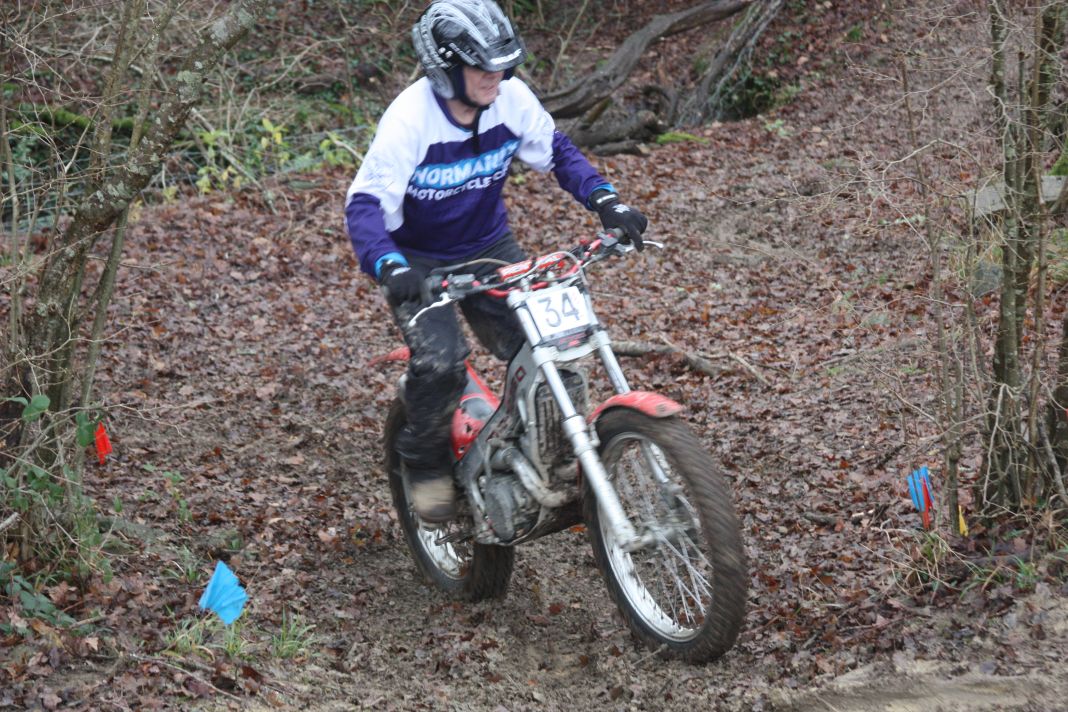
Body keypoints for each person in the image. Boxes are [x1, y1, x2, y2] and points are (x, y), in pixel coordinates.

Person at [344, 0, 648, 523]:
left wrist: (606, 201)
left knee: (547, 347)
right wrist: (389, 266)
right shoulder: (409, 120)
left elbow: (557, 152)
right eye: (482, 67)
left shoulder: (511, 98)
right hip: (418, 260)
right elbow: (364, 205)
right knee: (441, 362)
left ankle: (537, 449)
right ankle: (424, 462)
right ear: (445, 68)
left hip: (489, 246)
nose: (497, 77)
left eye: (503, 65)